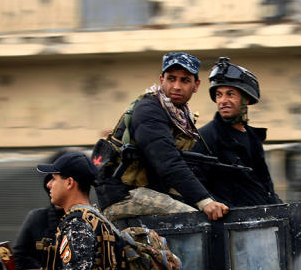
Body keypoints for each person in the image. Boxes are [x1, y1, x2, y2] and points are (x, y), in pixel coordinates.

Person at [95, 52, 229, 221]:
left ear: (196, 85)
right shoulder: (149, 111)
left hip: (149, 190)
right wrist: (205, 201)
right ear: (161, 80)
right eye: (171, 79)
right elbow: (166, 160)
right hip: (122, 195)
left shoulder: (180, 117)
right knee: (192, 219)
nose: (177, 86)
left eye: (185, 80)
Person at [196, 58, 282, 207]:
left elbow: (265, 185)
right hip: (230, 224)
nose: (223, 100)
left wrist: (279, 207)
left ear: (246, 99)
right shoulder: (206, 137)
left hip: (264, 218)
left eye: (230, 94)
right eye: (219, 95)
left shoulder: (253, 137)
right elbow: (195, 183)